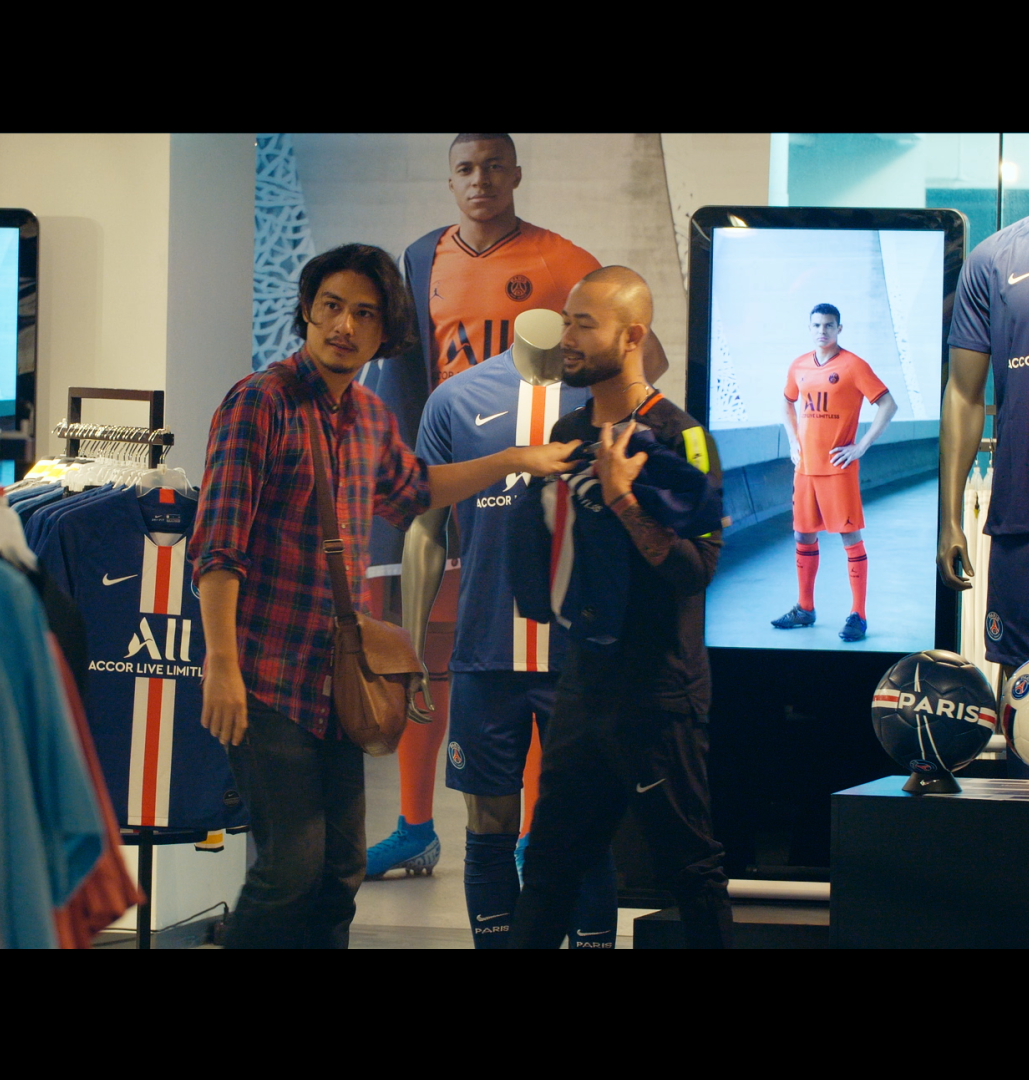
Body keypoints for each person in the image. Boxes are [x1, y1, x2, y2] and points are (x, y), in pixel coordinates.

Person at [188, 243, 577, 949]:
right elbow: (218, 544)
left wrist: (514, 459)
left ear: (383, 330)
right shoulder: (260, 401)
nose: (345, 325)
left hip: (340, 676)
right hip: (265, 673)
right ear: (307, 311)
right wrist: (221, 663)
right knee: (290, 866)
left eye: (364, 314)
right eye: (332, 306)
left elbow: (416, 492)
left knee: (339, 871)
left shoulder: (368, 414)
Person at [366, 132, 668, 878]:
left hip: (541, 480)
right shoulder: (422, 259)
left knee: (533, 653)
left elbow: (643, 359)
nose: (481, 181)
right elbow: (405, 375)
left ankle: (538, 834)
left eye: (495, 167)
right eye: (467, 169)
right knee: (445, 655)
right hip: (459, 473)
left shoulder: (561, 259)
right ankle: (414, 826)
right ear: (450, 180)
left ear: (516, 174)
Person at [507, 266, 732, 950]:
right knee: (548, 868)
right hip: (583, 686)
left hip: (659, 693)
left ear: (631, 337)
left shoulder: (681, 435)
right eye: (566, 322)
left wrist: (624, 499)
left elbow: (697, 572)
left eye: (584, 324)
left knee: (690, 870)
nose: (567, 338)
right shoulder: (569, 429)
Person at [771, 304, 898, 643]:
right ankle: (804, 608)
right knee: (802, 536)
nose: (822, 331)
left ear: (839, 328)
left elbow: (888, 404)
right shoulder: (799, 365)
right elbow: (786, 402)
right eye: (816, 325)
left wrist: (862, 446)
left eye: (829, 325)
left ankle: (859, 615)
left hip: (838, 469)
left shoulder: (854, 365)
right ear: (809, 327)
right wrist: (793, 440)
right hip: (805, 469)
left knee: (850, 538)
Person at [939, 216, 1029, 679]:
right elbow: (963, 393)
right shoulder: (993, 258)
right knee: (1020, 693)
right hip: (1021, 516)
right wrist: (950, 518)